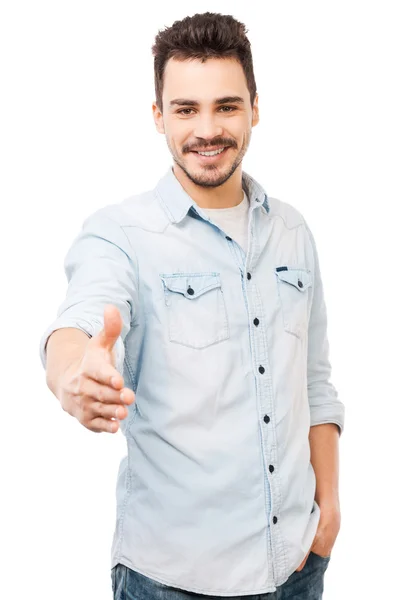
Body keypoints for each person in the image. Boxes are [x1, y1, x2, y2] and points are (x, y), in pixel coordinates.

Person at [40, 12, 345, 600]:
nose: (208, 129)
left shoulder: (293, 231)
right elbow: (80, 321)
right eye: (185, 110)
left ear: (255, 107)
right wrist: (73, 376)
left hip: (298, 568)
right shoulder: (120, 233)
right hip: (172, 581)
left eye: (226, 106)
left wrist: (328, 509)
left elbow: (315, 383)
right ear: (158, 117)